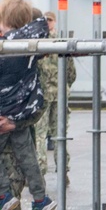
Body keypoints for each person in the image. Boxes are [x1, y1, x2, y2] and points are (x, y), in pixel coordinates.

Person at [0, 0, 56, 210]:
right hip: (22, 110)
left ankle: (4, 195)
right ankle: (39, 198)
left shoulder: (5, 49)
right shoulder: (33, 42)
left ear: (3, 21)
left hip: (2, 112)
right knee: (27, 154)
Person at [35, 10, 77, 176]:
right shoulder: (61, 43)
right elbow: (71, 72)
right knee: (60, 134)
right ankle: (63, 168)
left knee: (40, 134)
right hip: (59, 93)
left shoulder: (38, 43)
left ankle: (40, 169)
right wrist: (65, 85)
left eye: (49, 20)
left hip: (43, 94)